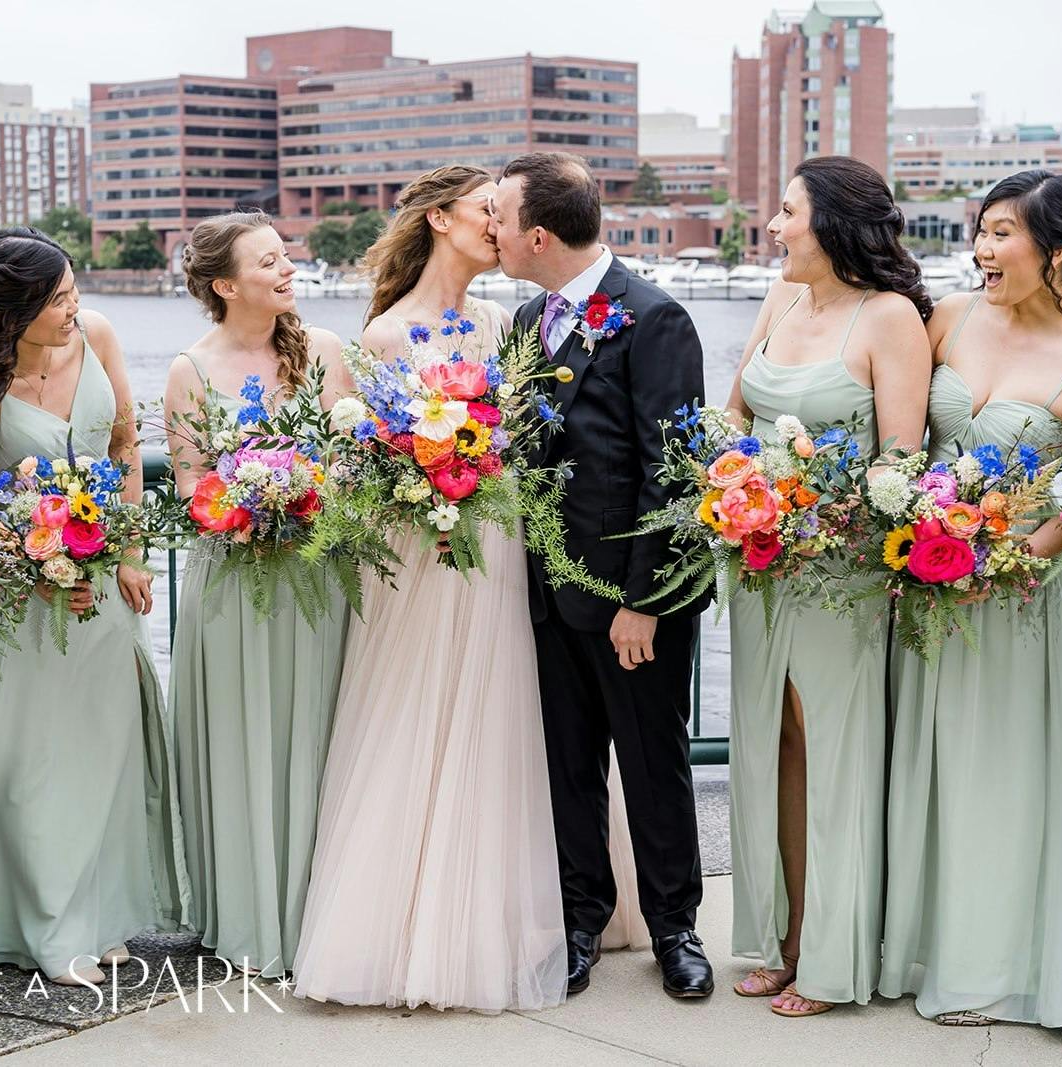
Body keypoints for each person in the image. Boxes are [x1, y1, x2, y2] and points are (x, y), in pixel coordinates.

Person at [293, 166, 568, 1011]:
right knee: (409, 709)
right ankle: (392, 924)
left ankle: (497, 917)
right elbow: (362, 465)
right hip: (416, 547)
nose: (500, 223)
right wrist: (425, 470)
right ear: (441, 218)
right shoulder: (383, 336)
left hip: (496, 534)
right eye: (488, 209)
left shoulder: (505, 322)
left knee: (494, 706)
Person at [879, 171, 1062, 1028]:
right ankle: (915, 946)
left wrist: (1016, 557)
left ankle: (993, 968)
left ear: (1055, 249)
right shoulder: (947, 318)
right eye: (980, 232)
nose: (982, 251)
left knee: (1000, 781)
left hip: (1017, 600)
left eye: (1002, 234)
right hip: (927, 585)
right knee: (931, 764)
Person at [0, 228, 189, 986]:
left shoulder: (99, 335)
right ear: (13, 312)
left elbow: (122, 451)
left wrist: (132, 553)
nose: (75, 307)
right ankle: (46, 926)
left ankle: (102, 914)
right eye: (57, 300)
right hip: (21, 598)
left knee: (103, 750)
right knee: (35, 763)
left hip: (106, 579)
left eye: (74, 290)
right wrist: (41, 566)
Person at [493, 151, 713, 999]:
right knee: (568, 766)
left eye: (501, 220)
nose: (494, 233)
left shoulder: (654, 319)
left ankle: (674, 927)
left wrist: (644, 604)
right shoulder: (523, 323)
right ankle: (581, 919)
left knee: (654, 764)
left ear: (538, 234)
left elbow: (674, 475)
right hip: (546, 593)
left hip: (631, 601)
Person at [722, 157, 930, 1017]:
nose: (773, 228)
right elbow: (734, 412)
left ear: (836, 222)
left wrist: (816, 512)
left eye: (786, 213)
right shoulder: (780, 300)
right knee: (774, 747)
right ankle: (785, 935)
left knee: (833, 752)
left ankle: (835, 954)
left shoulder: (889, 320)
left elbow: (901, 462)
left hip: (838, 572)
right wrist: (739, 488)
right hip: (756, 561)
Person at [164, 211, 349, 978]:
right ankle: (246, 910)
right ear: (224, 284)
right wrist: (242, 507)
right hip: (233, 577)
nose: (286, 270)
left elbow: (347, 463)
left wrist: (307, 497)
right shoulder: (191, 369)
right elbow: (186, 484)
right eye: (268, 261)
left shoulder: (326, 351)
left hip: (316, 572)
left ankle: (320, 908)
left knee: (317, 729)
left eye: (286, 257)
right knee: (242, 736)